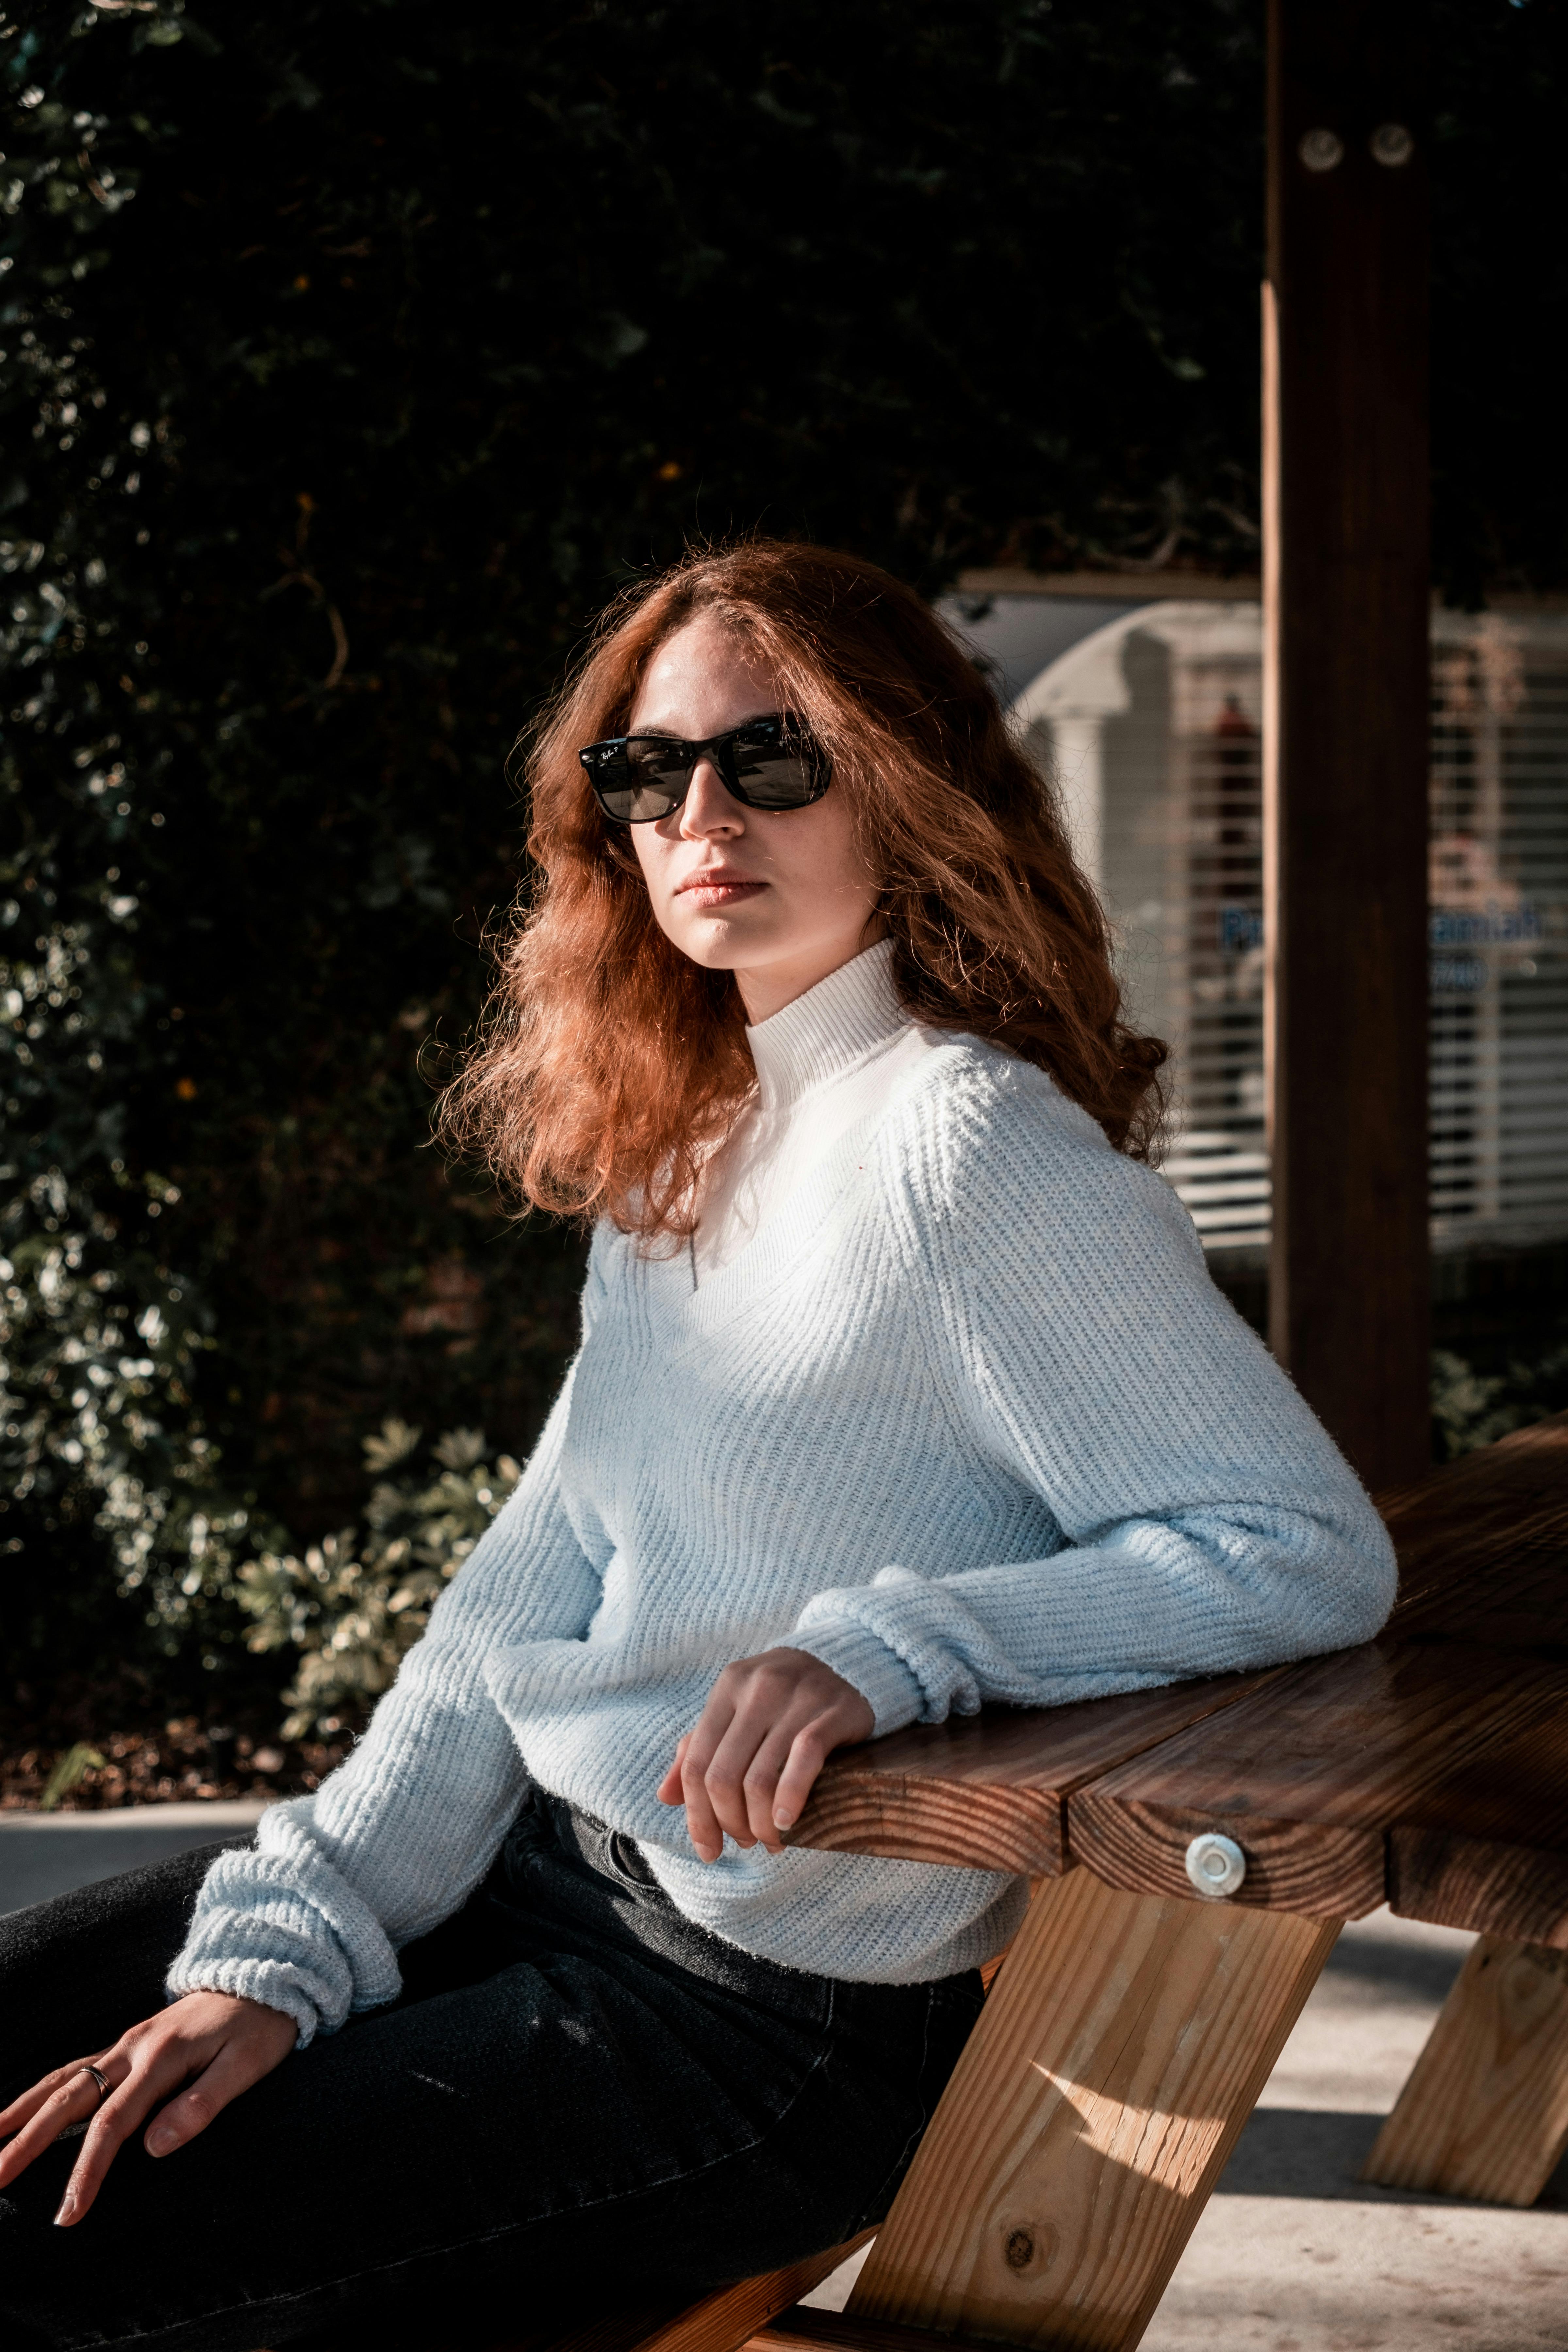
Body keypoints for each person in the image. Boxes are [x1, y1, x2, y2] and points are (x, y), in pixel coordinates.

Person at [0, 541, 1396, 2352]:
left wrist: (887, 1651)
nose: (702, 812)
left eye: (776, 756)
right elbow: (522, 1592)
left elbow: (1293, 1542)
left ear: (906, 781)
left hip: (770, 2016)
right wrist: (298, 1938)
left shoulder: (969, 1150)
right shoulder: (693, 1142)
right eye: (651, 770)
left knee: (57, 2236)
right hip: (538, 1873)